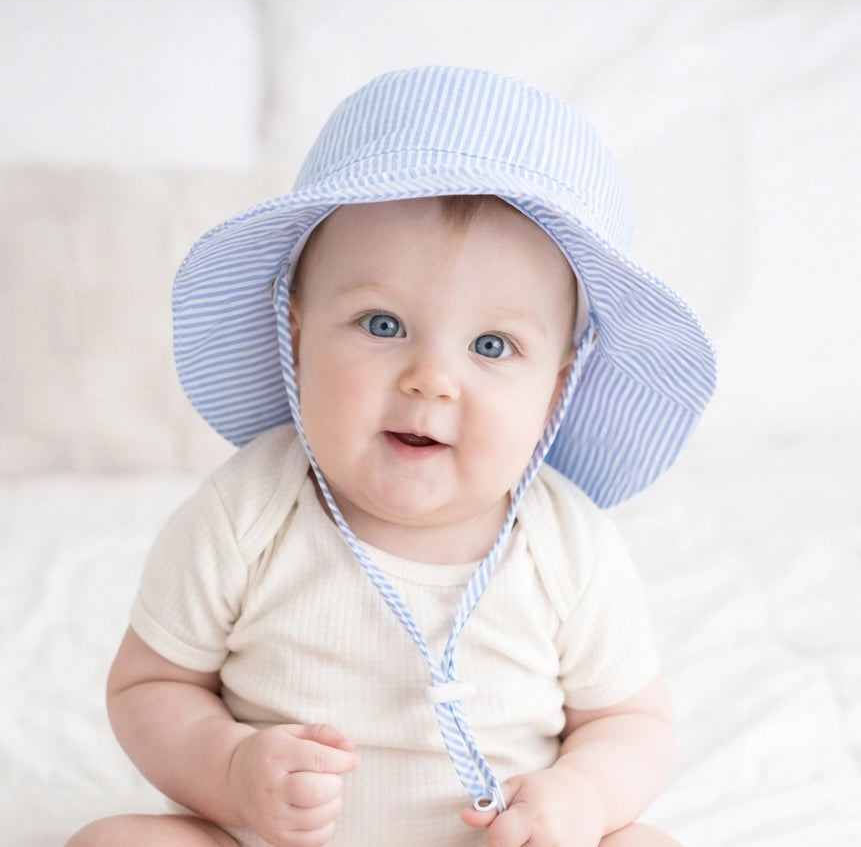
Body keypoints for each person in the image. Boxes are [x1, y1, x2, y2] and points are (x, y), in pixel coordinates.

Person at [66, 66, 716, 847]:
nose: (430, 380)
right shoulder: (247, 508)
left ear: (556, 388)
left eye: (491, 344)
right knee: (112, 841)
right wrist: (232, 766)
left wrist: (577, 797)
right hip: (271, 839)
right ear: (296, 335)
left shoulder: (563, 541)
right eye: (380, 324)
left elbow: (630, 720)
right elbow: (151, 684)